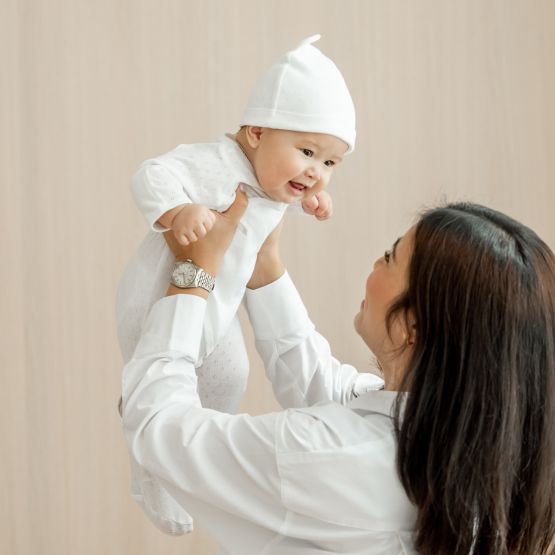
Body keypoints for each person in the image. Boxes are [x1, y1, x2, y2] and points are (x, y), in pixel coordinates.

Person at [121, 191, 555, 554]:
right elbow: (326, 386)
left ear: (412, 327)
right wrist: (263, 266)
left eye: (390, 256)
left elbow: (159, 428)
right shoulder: (460, 443)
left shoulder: (333, 456)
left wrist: (195, 271)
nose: (375, 263)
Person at [116, 34, 355, 534]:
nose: (315, 172)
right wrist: (176, 210)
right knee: (164, 384)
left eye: (330, 164)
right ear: (254, 132)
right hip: (162, 294)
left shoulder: (275, 185)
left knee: (230, 378)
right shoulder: (213, 163)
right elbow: (150, 173)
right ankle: (152, 469)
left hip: (212, 305)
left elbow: (271, 221)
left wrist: (310, 201)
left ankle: (184, 470)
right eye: (307, 151)